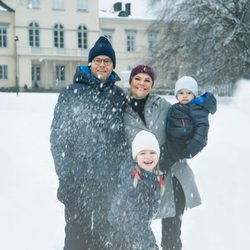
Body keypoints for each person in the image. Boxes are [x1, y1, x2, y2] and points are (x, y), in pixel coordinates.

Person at [50, 36, 127, 250]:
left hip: (109, 183)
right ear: (90, 63)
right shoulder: (70, 94)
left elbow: (125, 140)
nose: (102, 64)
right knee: (77, 237)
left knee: (106, 237)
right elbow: (59, 140)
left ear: (112, 66)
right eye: (98, 60)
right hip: (78, 183)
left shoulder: (119, 97)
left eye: (107, 61)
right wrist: (66, 177)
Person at [124, 64, 202, 250]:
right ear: (130, 81)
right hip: (141, 180)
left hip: (173, 176)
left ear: (152, 84)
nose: (142, 83)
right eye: (138, 78)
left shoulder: (165, 107)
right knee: (139, 233)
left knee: (172, 235)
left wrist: (165, 159)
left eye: (147, 80)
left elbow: (185, 135)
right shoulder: (122, 111)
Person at [108, 130, 163, 250]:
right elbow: (136, 217)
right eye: (142, 153)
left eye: (152, 152)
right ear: (135, 157)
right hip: (125, 234)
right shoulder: (135, 179)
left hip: (131, 232)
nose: (148, 156)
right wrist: (149, 245)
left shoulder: (152, 174)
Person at [161, 75, 217, 172]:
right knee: (160, 155)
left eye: (189, 93)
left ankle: (160, 173)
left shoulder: (196, 108)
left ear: (194, 95)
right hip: (172, 142)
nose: (185, 95)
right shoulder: (177, 107)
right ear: (176, 95)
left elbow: (202, 130)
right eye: (181, 92)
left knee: (165, 161)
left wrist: (191, 148)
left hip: (181, 145)